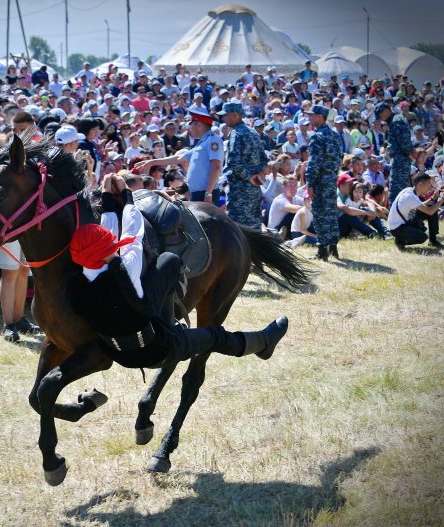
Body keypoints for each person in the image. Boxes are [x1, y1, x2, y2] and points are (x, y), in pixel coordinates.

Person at [66, 173, 289, 372]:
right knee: (214, 335)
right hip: (157, 349)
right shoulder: (126, 268)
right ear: (107, 246)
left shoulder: (84, 276)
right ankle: (263, 342)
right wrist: (126, 196)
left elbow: (108, 234)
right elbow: (133, 231)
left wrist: (107, 199)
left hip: (116, 353)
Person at [221, 101, 268, 227]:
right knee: (255, 224)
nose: (223, 118)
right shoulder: (253, 132)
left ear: (235, 115)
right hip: (255, 187)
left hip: (239, 188)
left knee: (239, 227)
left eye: (226, 115)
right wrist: (258, 175)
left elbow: (233, 163)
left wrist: (249, 177)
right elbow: (264, 159)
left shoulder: (236, 134)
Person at [305, 105, 343, 261]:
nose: (309, 118)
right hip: (332, 177)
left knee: (320, 213)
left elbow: (314, 162)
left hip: (320, 179)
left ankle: (322, 251)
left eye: (312, 115)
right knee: (331, 213)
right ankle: (333, 247)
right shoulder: (334, 135)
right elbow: (340, 158)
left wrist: (310, 181)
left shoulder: (317, 136)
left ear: (320, 117)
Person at [387, 172, 444, 250]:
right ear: (420, 184)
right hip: (397, 228)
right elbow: (429, 211)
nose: (430, 187)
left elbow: (419, 206)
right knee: (422, 237)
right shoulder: (410, 196)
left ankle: (433, 241)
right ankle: (400, 240)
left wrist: (432, 199)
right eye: (428, 184)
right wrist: (442, 200)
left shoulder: (409, 190)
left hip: (404, 222)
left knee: (431, 208)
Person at [377, 103, 413, 205]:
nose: (380, 117)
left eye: (380, 114)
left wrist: (408, 152)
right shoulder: (395, 120)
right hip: (400, 158)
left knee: (396, 192)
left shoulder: (396, 121)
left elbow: (404, 142)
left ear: (386, 111)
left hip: (400, 159)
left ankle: (395, 218)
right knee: (402, 190)